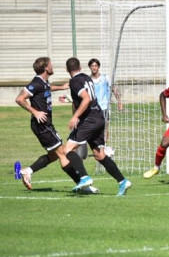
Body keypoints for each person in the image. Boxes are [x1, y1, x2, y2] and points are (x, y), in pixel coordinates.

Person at [15, 57, 93, 192]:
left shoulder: (43, 82)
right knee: (63, 153)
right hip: (42, 125)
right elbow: (19, 99)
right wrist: (35, 112)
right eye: (51, 65)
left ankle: (28, 171)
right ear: (46, 68)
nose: (53, 66)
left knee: (54, 155)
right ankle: (82, 184)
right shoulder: (36, 83)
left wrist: (61, 87)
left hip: (46, 125)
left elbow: (47, 87)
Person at [65, 57, 131, 196]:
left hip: (90, 120)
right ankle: (122, 181)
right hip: (99, 116)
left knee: (68, 149)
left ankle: (84, 177)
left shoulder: (75, 81)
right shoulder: (86, 78)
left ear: (67, 70)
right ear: (81, 67)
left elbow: (86, 98)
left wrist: (75, 116)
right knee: (99, 155)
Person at [88, 58, 122, 150]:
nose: (94, 68)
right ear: (90, 67)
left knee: (105, 127)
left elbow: (113, 89)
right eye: (92, 66)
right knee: (95, 128)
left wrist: (119, 102)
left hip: (105, 107)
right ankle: (97, 145)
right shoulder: (88, 80)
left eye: (96, 66)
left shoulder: (105, 77)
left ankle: (103, 146)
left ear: (98, 67)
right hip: (94, 108)